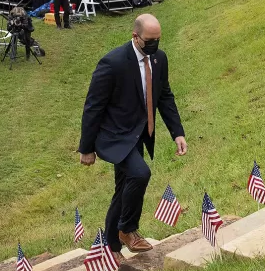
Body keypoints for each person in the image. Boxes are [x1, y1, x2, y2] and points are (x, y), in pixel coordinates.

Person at [78, 14, 187, 253]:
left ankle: (110, 246)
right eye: (149, 40)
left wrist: (177, 132)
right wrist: (86, 148)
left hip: (138, 134)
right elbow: (93, 106)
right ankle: (127, 229)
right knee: (139, 174)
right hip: (114, 136)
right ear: (135, 37)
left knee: (123, 188)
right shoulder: (113, 62)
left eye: (158, 39)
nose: (155, 45)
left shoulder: (159, 59)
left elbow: (164, 95)